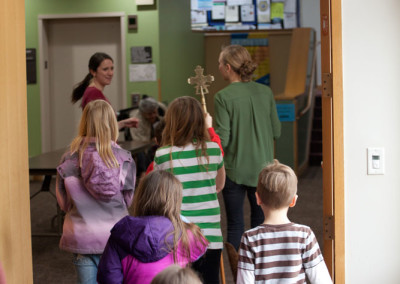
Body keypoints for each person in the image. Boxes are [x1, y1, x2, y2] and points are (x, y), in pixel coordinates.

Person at [56, 100, 136, 284]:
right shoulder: (124, 158)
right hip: (115, 237)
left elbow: (64, 204)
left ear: (84, 123)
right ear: (112, 125)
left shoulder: (68, 159)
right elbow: (127, 201)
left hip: (82, 238)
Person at [214, 44, 281, 251]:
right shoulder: (266, 92)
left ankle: (238, 275)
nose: (218, 67)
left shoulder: (222, 97)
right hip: (263, 170)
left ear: (227, 67)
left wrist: (206, 134)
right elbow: (276, 131)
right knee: (261, 225)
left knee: (235, 225)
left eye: (219, 63)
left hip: (234, 171)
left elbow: (222, 140)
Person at [154, 96, 225, 284]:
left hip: (177, 235)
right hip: (210, 234)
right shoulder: (213, 150)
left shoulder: (163, 154)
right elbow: (219, 185)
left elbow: (157, 193)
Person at [97, 170, 208, 284]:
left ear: (141, 197)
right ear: (175, 201)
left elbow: (108, 278)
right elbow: (201, 250)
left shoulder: (121, 234)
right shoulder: (187, 234)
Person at [237, 160, 332, 284]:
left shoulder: (250, 238)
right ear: (293, 201)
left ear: (258, 198)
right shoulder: (304, 235)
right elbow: (322, 280)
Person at [71, 52, 138, 130]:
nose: (110, 73)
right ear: (93, 72)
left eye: (112, 68)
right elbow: (99, 130)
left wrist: (123, 123)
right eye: (105, 69)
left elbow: (104, 127)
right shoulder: (93, 94)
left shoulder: (94, 92)